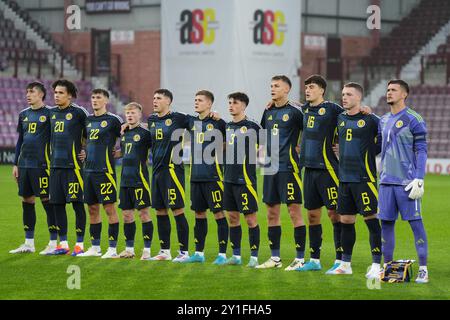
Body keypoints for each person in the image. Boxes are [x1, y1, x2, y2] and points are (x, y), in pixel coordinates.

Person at [327, 82, 382, 279]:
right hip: (344, 179)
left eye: (349, 94)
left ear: (359, 98)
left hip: (364, 179)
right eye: (343, 94)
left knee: (371, 219)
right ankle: (345, 264)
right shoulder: (339, 118)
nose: (344, 97)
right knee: (346, 220)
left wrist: (368, 153)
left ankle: (377, 264)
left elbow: (385, 136)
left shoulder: (370, 119)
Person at [377, 79, 429, 283]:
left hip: (407, 183)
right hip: (386, 182)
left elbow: (422, 150)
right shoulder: (382, 120)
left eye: (393, 90)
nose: (389, 93)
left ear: (404, 94)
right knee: (386, 225)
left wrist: (419, 178)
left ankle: (423, 269)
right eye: (387, 89)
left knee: (416, 224)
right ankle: (387, 268)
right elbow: (380, 147)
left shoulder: (414, 119)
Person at [257, 75, 307, 270]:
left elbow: (312, 130)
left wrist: (301, 148)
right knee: (271, 213)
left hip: (289, 167)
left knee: (294, 211)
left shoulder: (295, 111)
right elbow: (264, 134)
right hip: (270, 167)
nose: (272, 88)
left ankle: (300, 258)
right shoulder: (267, 111)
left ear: (287, 89)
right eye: (271, 85)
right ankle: (275, 259)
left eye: (276, 86)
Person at [9, 82, 57, 254]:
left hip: (42, 165)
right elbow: (20, 140)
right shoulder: (23, 115)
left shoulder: (51, 114)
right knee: (27, 200)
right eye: (27, 92)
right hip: (24, 165)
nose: (28, 95)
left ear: (41, 95)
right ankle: (29, 243)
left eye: (32, 92)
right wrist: (16, 163)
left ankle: (53, 243)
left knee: (47, 201)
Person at [146, 89, 192, 262]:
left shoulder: (179, 118)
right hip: (156, 172)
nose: (154, 101)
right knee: (159, 210)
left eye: (158, 98)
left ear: (168, 101)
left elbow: (199, 122)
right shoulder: (151, 120)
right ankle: (165, 251)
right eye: (154, 98)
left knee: (177, 210)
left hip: (173, 171)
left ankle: (184, 252)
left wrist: (214, 115)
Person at [76, 89, 123, 258]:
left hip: (105, 172)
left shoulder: (113, 120)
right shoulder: (87, 120)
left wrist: (120, 152)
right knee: (92, 209)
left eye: (99, 98)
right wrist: (83, 150)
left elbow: (129, 136)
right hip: (88, 171)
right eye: (93, 97)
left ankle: (112, 248)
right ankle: (95, 247)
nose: (95, 100)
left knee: (109, 208)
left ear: (106, 101)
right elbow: (83, 140)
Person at [185, 90, 229, 264]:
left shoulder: (219, 123)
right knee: (199, 215)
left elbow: (234, 137)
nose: (196, 102)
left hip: (214, 177)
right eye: (195, 100)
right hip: (195, 177)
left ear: (209, 104)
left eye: (200, 100)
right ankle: (199, 253)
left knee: (219, 214)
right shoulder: (190, 121)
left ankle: (223, 254)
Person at [47, 79, 88, 255]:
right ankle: (63, 244)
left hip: (74, 168)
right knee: (57, 204)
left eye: (61, 93)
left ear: (69, 95)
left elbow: (91, 133)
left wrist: (86, 150)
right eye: (55, 92)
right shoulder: (51, 113)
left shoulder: (79, 113)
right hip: (56, 166)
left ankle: (80, 244)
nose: (57, 96)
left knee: (77, 204)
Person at [223, 92, 261, 268]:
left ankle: (254, 257)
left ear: (244, 106)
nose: (231, 105)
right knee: (232, 217)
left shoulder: (252, 126)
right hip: (228, 179)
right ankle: (236, 255)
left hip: (245, 180)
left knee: (250, 219)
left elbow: (270, 144)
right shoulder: (228, 126)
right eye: (230, 102)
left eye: (235, 103)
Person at [115, 102, 154, 260]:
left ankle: (147, 250)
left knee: (144, 213)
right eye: (128, 113)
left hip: (140, 179)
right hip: (125, 180)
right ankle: (129, 250)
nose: (130, 116)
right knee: (126, 215)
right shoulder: (124, 133)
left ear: (139, 114)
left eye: (133, 113)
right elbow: (123, 153)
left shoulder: (145, 133)